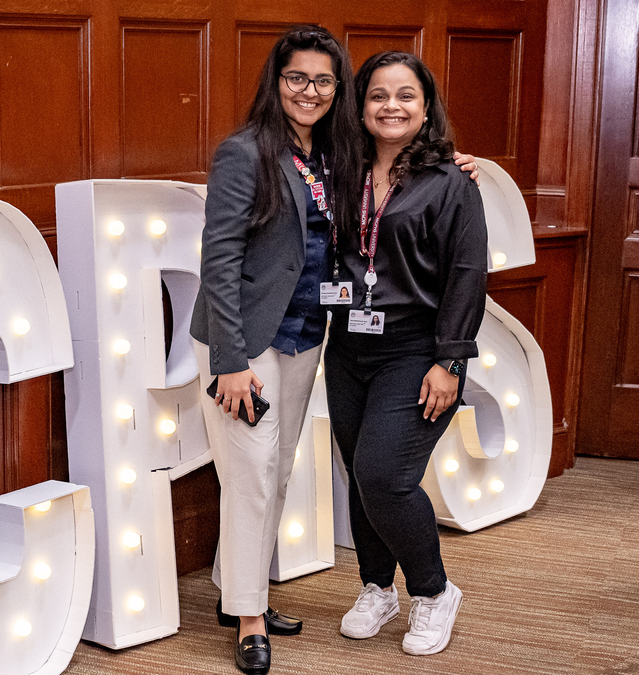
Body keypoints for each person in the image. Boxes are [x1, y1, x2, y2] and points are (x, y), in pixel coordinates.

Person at [189, 24, 362, 675]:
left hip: (302, 338)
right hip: (245, 345)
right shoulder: (246, 153)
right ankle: (250, 618)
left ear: (335, 87)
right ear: (277, 82)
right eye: (297, 78)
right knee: (254, 474)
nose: (309, 90)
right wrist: (230, 360)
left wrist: (445, 163)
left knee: (271, 473)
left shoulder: (331, 155)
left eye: (322, 79)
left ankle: (237, 590)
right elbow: (220, 256)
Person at [325, 50, 488, 656]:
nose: (391, 106)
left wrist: (450, 362)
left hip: (417, 353)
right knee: (358, 473)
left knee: (384, 474)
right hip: (346, 349)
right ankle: (376, 586)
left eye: (405, 96)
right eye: (377, 96)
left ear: (425, 109)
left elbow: (468, 274)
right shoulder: (340, 172)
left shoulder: (451, 183)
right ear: (360, 106)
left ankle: (433, 591)